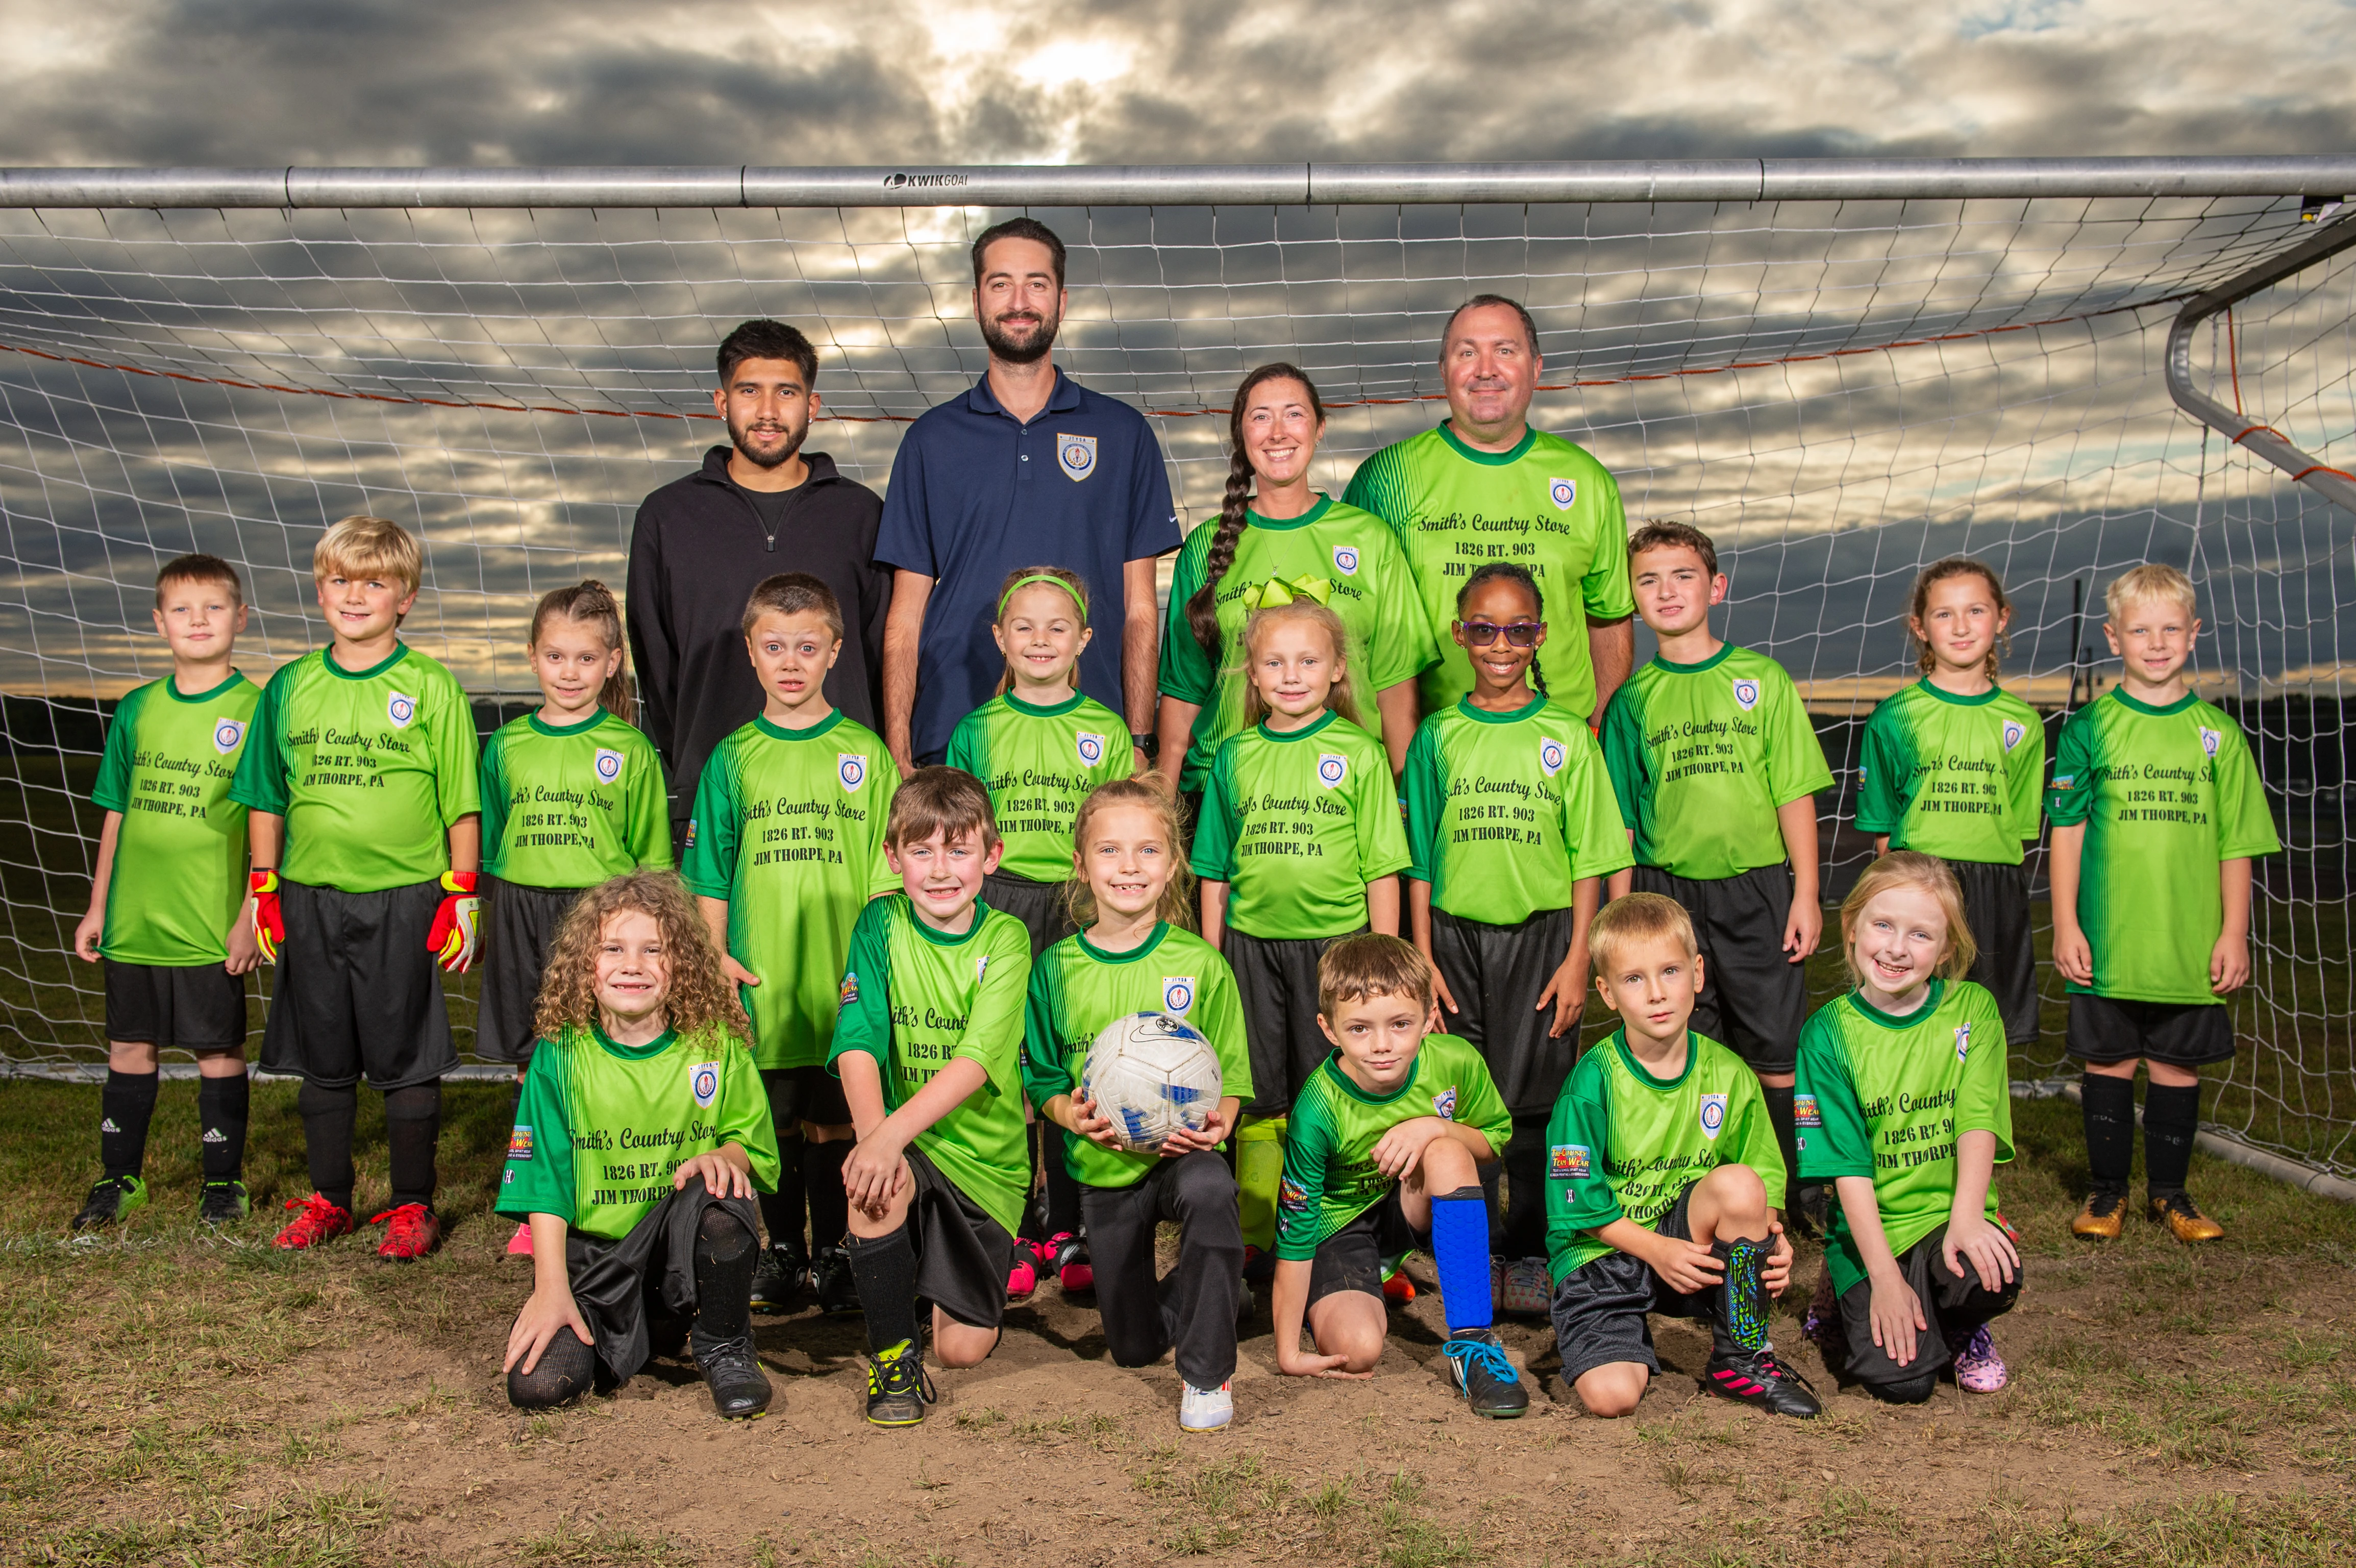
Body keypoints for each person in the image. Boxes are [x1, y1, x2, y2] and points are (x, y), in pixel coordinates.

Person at [230, 516, 481, 1258]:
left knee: (406, 1055)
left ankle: (412, 1206)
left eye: (375, 581)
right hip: (309, 898)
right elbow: (267, 797)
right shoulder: (290, 686)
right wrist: (264, 888)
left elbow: (459, 801)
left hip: (405, 896)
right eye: (341, 579)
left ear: (406, 596)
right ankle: (330, 1200)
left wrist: (461, 891)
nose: (356, 594)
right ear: (319, 589)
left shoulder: (430, 685)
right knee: (324, 1055)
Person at [1403, 562, 1631, 1314]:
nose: (1500, 644)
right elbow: (1421, 858)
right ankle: (1474, 1250)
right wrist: (1422, 955)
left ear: (1539, 636)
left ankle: (1531, 1250)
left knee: (1535, 1108)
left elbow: (1591, 858)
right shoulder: (1439, 735)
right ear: (1460, 635)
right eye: (1483, 629)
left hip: (1542, 941)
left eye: (1517, 630)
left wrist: (1577, 958)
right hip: (1454, 941)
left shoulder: (1566, 734)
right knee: (1463, 1101)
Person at [877, 217, 1180, 774]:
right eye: (1001, 284)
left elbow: (1140, 608)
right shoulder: (930, 439)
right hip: (955, 730)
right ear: (976, 301)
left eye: (1036, 284)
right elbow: (906, 614)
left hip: (1090, 730)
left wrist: (1137, 737)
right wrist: (898, 749)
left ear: (1062, 300)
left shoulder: (1123, 433)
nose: (1020, 301)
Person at [1599, 521, 1832, 1221]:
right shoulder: (1633, 701)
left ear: (1716, 587)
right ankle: (1696, 1187)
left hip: (1758, 888)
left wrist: (1807, 893)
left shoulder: (1760, 681)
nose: (1665, 591)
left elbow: (1793, 792)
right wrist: (1620, 919)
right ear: (1633, 598)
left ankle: (1793, 1188)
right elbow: (1623, 826)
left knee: (1774, 1051)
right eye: (1648, 580)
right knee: (1684, 1046)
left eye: (1682, 576)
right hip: (1667, 894)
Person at [681, 574, 900, 1318]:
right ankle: (782, 1251)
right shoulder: (733, 757)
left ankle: (837, 1250)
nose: (791, 662)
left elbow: (885, 877)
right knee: (768, 1118)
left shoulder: (864, 755)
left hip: (841, 978)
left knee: (836, 1117)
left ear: (835, 652)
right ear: (750, 653)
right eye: (774, 647)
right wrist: (714, 956)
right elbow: (709, 871)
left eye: (807, 647)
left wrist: (872, 969)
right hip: (759, 973)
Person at [2049, 564, 2280, 1244]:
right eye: (2140, 629)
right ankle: (2106, 1193)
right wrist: (2066, 922)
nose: (2156, 642)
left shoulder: (2218, 736)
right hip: (2110, 937)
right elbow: (2067, 832)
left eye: (2170, 628)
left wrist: (2233, 932)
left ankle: (2171, 1195)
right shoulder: (2090, 728)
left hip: (2187, 940)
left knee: (2177, 1066)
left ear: (2194, 633)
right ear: (2113, 637)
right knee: (2109, 1061)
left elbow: (2236, 842)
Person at [498, 870, 781, 1420]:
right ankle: (641, 1332)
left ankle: (726, 1344)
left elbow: (753, 1146)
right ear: (585, 963)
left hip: (684, 1249)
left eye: (654, 949)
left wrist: (724, 1157)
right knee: (538, 1387)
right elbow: (547, 1183)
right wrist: (551, 1288)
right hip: (601, 1260)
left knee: (722, 1196)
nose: (633, 965)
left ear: (684, 965)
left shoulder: (714, 1041)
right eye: (613, 948)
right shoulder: (562, 1055)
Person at [1025, 778, 1253, 1431]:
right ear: (1081, 864)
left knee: (1211, 1192)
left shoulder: (1201, 964)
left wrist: (1219, 1124)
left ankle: (1209, 1377)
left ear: (1173, 862)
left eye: (1148, 851)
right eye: (1111, 851)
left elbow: (1232, 1076)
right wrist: (1073, 1116)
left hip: (1182, 1156)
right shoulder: (1056, 969)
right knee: (1131, 1347)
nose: (1130, 867)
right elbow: (1041, 1078)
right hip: (1105, 1167)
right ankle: (1219, 1283)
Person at [1189, 599, 1410, 1270]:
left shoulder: (1360, 753)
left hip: (1338, 954)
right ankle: (1263, 1238)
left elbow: (1382, 869)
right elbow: (1213, 871)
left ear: (1337, 668)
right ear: (1252, 676)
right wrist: (1214, 958)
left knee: (1342, 1093)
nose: (1292, 675)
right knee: (1260, 1097)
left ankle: (1364, 1246)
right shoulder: (1234, 757)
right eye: (1274, 662)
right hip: (1253, 951)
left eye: (1308, 660)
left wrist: (1385, 965)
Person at [1546, 893, 1817, 1418]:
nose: (1656, 994)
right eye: (1633, 979)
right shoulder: (1592, 1082)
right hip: (1605, 1251)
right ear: (1606, 992)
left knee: (1739, 1185)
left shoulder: (1731, 1074)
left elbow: (1759, 1183)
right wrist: (1654, 1251)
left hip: (1684, 1245)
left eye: (1669, 971)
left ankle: (1741, 1359)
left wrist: (1774, 1241)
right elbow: (1578, 1207)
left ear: (1696, 973)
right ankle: (1602, 1332)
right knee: (1613, 1397)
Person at [627, 319, 889, 853]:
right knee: (719, 939)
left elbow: (881, 651)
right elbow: (657, 665)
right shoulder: (667, 515)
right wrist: (697, 757)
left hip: (841, 795)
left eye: (786, 392)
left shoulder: (861, 513)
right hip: (715, 791)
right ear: (721, 402)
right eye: (750, 391)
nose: (768, 412)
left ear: (812, 407)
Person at [945, 565, 1132, 1299]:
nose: (1041, 639)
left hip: (1077, 902)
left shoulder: (1104, 730)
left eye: (1058, 627)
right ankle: (1014, 1221)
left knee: (1074, 1052)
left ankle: (1071, 1224)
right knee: (1004, 1059)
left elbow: (1120, 829)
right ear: (999, 638)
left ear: (1084, 637)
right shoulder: (976, 730)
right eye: (1024, 626)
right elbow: (958, 832)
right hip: (1000, 900)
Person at [829, 767, 1034, 1428]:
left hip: (985, 1163)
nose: (940, 869)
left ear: (991, 856)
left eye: (958, 849)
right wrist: (873, 1143)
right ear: (893, 857)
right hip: (908, 1146)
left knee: (962, 1350)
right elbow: (858, 1041)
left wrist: (887, 1136)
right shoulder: (880, 923)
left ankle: (917, 1276)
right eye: (921, 850)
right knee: (876, 1185)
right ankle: (893, 1358)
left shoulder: (1006, 939)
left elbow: (975, 1062)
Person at [478, 581, 673, 1256]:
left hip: (601, 917)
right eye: (556, 657)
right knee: (535, 1061)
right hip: (521, 911)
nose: (570, 672)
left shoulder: (632, 749)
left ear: (612, 662)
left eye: (586, 659)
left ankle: (604, 1186)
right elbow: (495, 840)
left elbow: (650, 859)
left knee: (598, 1053)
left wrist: (647, 935)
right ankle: (541, 1207)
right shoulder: (504, 746)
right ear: (533, 658)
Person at [70, 554, 262, 1229]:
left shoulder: (257, 709)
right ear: (159, 622)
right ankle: (120, 1177)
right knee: (128, 1046)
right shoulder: (138, 708)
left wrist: (251, 915)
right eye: (182, 609)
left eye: (213, 607)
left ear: (241, 617)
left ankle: (221, 1184)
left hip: (209, 922)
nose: (198, 620)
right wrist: (98, 906)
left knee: (218, 1051)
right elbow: (116, 813)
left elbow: (272, 824)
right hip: (135, 918)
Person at [1343, 294, 1634, 727]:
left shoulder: (1587, 481)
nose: (1485, 369)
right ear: (1443, 370)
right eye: (1466, 353)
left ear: (1535, 367)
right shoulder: (1384, 480)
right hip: (1430, 749)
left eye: (1504, 350)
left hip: (1559, 745)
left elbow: (1608, 619)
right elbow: (1351, 626)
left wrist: (1598, 729)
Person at [1270, 935, 1527, 1420]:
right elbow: (1296, 1234)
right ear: (1329, 1029)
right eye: (1360, 1028)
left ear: (1430, 1016)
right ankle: (1357, 1283)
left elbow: (1493, 1143)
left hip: (1404, 1204)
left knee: (1449, 1151)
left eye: (1401, 1024)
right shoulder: (1317, 1107)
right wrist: (1286, 1351)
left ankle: (1474, 1347)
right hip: (1337, 1230)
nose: (1383, 1044)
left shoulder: (1454, 1060)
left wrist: (1435, 1126)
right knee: (1360, 1348)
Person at [1796, 852, 2020, 1402]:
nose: (1897, 948)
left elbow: (1976, 1118)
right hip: (1873, 1230)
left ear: (1946, 948)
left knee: (1991, 1273)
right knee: (1906, 1386)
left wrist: (1968, 1218)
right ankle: (1841, 1288)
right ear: (1852, 928)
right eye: (1883, 925)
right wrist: (1886, 1281)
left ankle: (1964, 1327)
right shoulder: (1827, 1034)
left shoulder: (1974, 1010)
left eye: (1921, 934)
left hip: (1946, 1218)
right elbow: (1846, 1166)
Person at [1156, 363, 1434, 809]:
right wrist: (1158, 813)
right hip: (1223, 795)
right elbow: (1183, 691)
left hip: (1341, 789)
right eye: (1261, 416)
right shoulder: (1205, 546)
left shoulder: (1370, 538)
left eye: (1294, 414)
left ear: (1320, 427)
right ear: (1241, 434)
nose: (1278, 432)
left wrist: (1402, 802)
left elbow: (1395, 686)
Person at [1856, 559, 2045, 1053]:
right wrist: (1896, 900)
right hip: (1919, 883)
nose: (1961, 627)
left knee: (1987, 1030)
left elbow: (2018, 828)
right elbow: (1882, 831)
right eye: (1943, 614)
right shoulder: (1893, 717)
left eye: (1975, 610)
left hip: (1994, 887)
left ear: (2001, 618)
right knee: (1914, 1025)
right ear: (1919, 627)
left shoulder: (2023, 722)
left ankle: (1978, 1128)